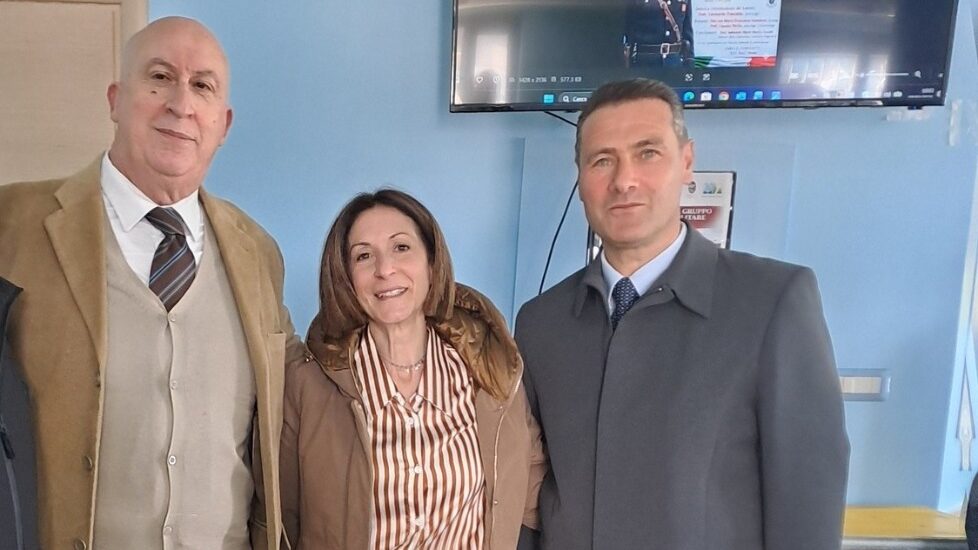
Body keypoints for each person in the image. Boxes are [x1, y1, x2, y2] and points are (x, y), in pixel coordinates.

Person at [0, 16, 303, 550]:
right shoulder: (11, 225)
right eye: (160, 77)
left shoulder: (260, 253)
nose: (181, 104)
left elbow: (301, 399)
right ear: (116, 99)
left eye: (202, 86)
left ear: (224, 123)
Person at [514, 78, 849, 550]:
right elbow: (527, 488)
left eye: (648, 153)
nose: (624, 180)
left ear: (686, 162)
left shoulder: (772, 302)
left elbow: (806, 499)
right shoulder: (540, 323)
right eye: (602, 160)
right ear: (581, 177)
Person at [281, 189, 545, 549]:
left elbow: (533, 498)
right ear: (345, 278)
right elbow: (280, 519)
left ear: (432, 264)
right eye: (363, 256)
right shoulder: (306, 386)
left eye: (401, 247)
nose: (385, 269)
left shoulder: (491, 371)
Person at [624, 0, 694, 68]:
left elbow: (687, 32)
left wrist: (689, 65)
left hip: (675, 63)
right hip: (644, 63)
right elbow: (624, 30)